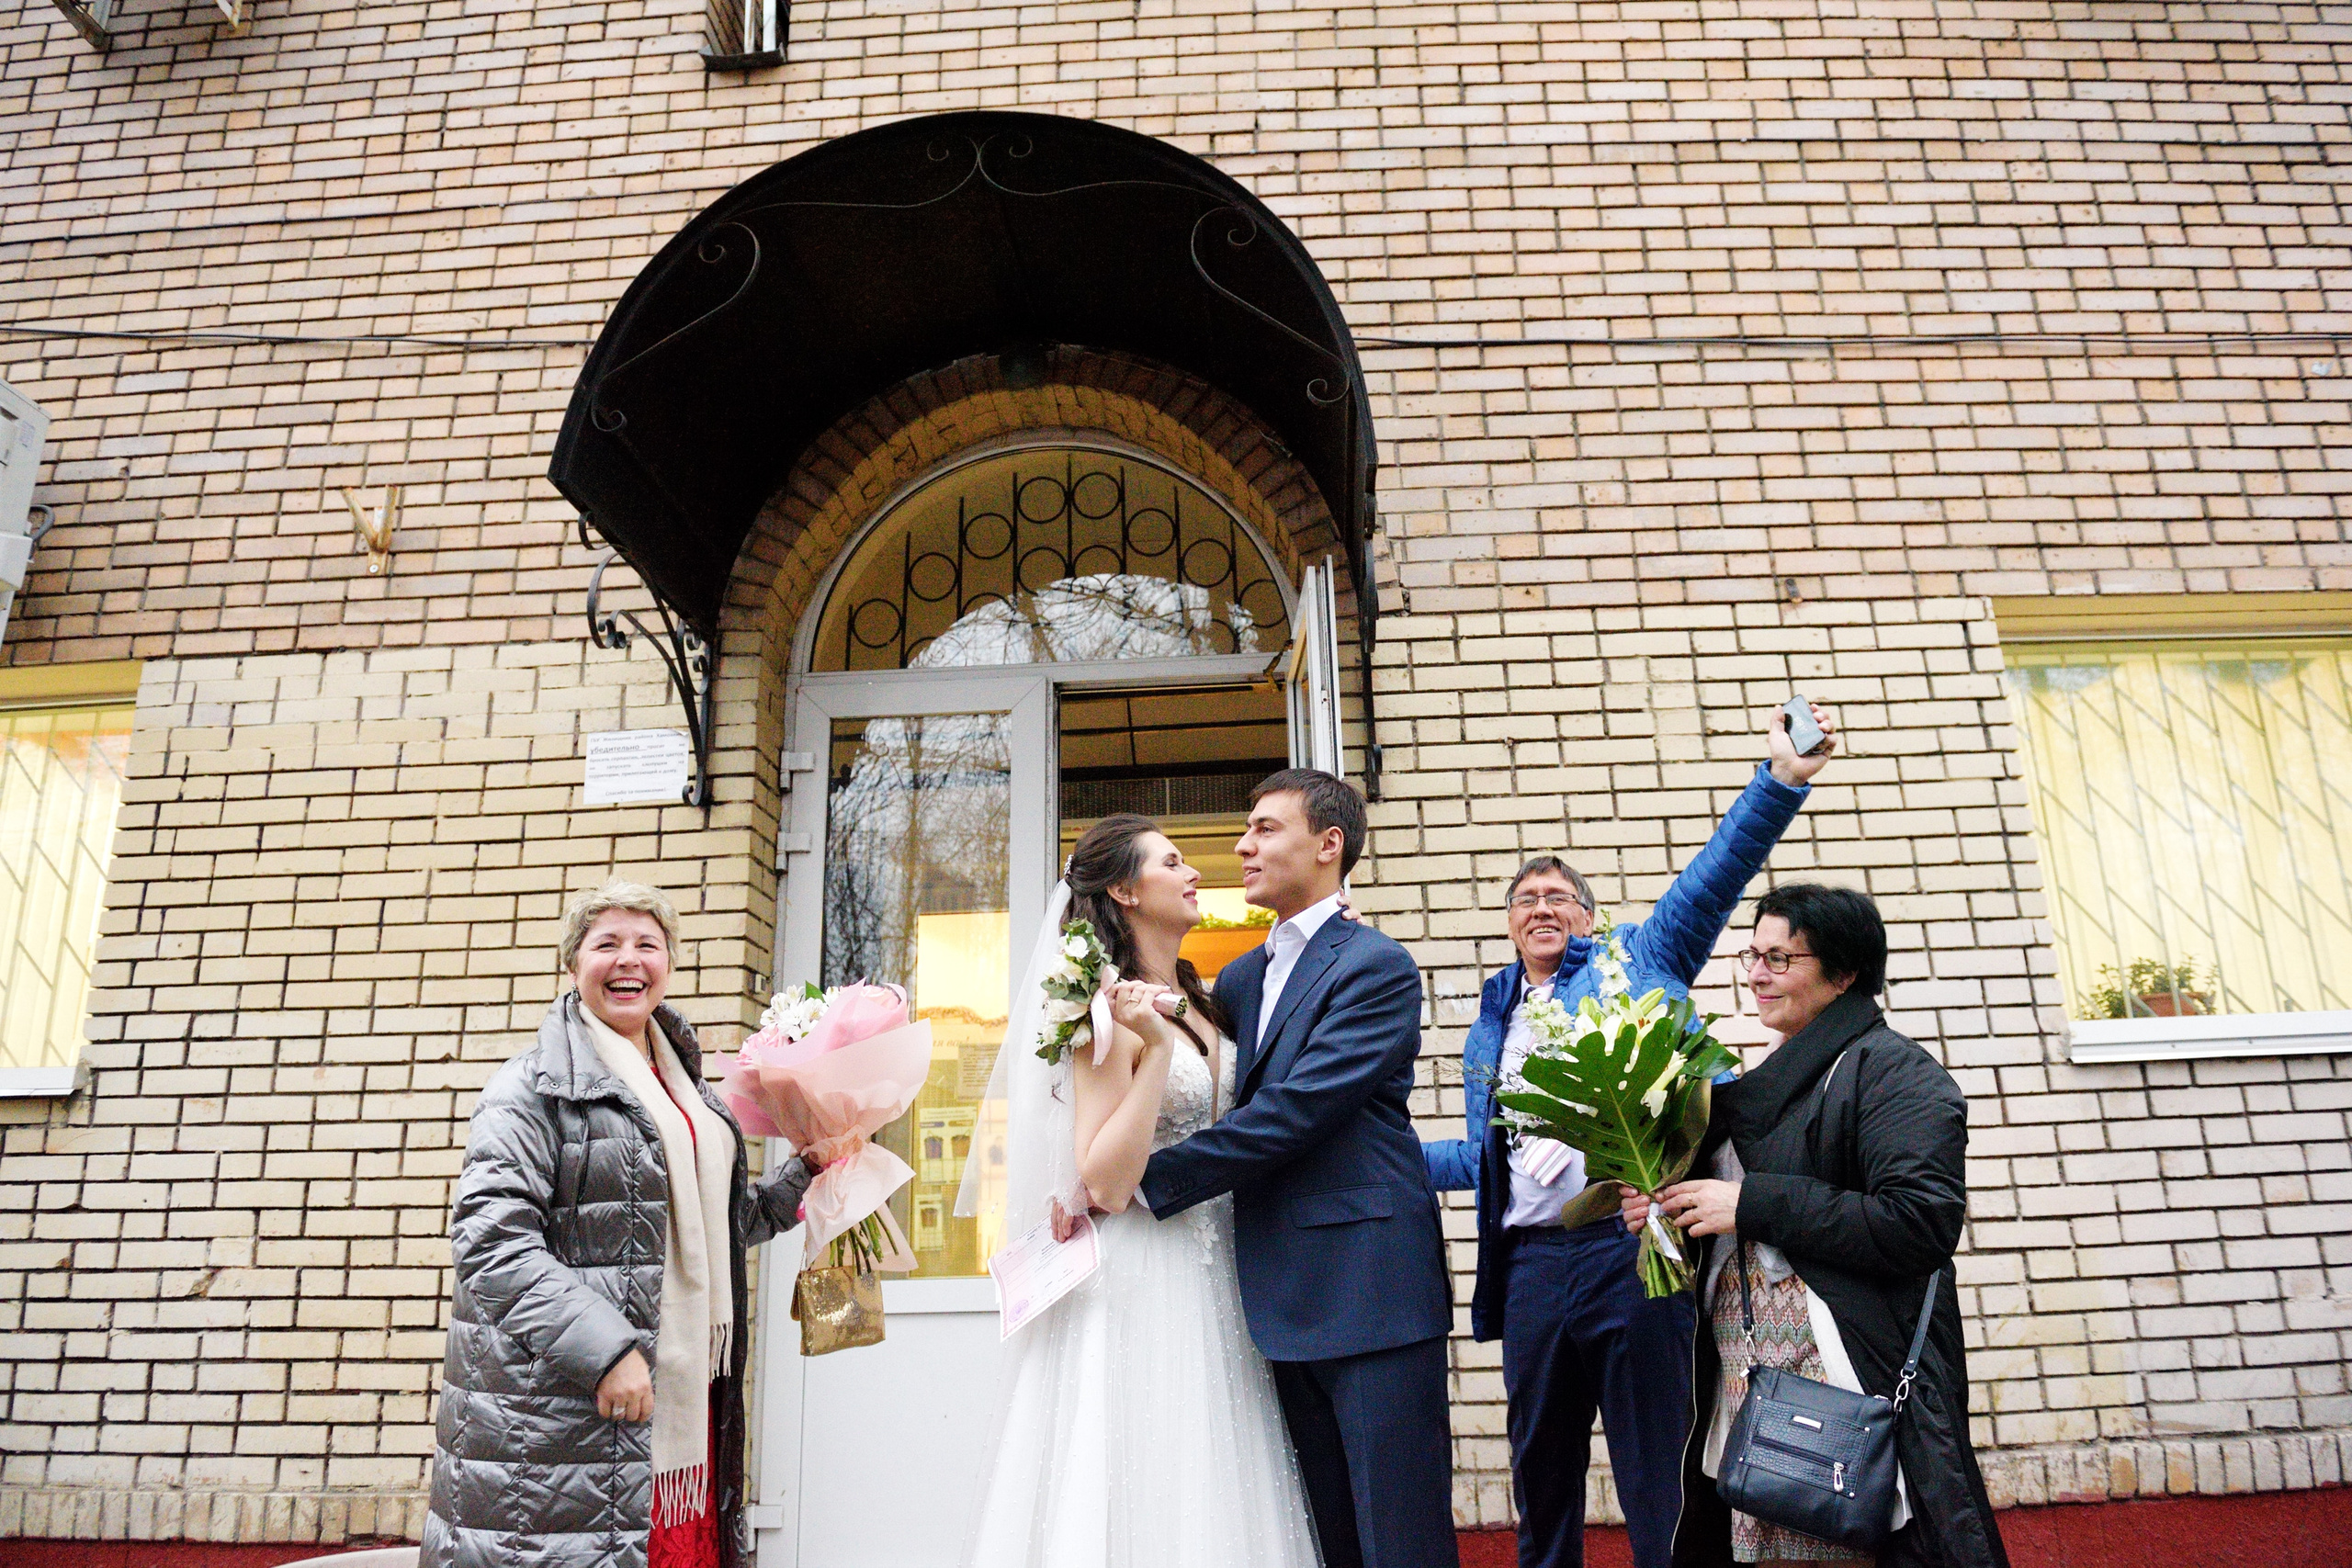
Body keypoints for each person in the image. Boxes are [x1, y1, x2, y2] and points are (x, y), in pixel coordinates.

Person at [1423, 704, 1837, 1568]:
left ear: (1589, 914)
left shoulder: (1636, 959)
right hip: (1532, 1264)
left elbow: (1714, 875)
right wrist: (1374, 1162)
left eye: (1559, 896)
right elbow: (1486, 1159)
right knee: (1540, 1468)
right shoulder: (1493, 1020)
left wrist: (1780, 780)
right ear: (1509, 924)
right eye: (1525, 899)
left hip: (1631, 1248)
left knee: (1660, 1470)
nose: (1542, 906)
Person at [957, 813, 1322, 1568]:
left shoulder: (1210, 999)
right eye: (1174, 860)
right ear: (1125, 889)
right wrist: (1154, 1049)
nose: (1195, 873)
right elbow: (1104, 1179)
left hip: (1219, 1265)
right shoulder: (1103, 1011)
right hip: (1141, 1273)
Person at [421, 882, 821, 1568]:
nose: (628, 960)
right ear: (572, 962)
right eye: (606, 943)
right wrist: (606, 1351)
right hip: (565, 1417)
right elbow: (491, 1246)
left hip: (678, 1406)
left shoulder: (685, 1088)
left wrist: (808, 1174)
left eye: (648, 944)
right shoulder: (530, 1089)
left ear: (669, 963)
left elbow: (706, 1229)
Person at [1623, 884, 2009, 1568]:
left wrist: (1749, 1203)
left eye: (1780, 957)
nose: (1757, 972)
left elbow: (1920, 1221)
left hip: (1836, 1390)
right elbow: (1738, 1228)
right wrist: (1668, 1217)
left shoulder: (1895, 1073)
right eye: (1752, 953)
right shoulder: (1762, 1085)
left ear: (1844, 973)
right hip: (1753, 1393)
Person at [1139, 769, 1459, 1568]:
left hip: (1371, 1285)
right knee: (1329, 1538)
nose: (1244, 846)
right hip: (1277, 1295)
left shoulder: (1376, 966)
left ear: (1328, 844)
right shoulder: (1239, 978)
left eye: (1264, 829)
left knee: (1400, 1538)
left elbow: (1296, 1112)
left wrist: (1147, 1180)